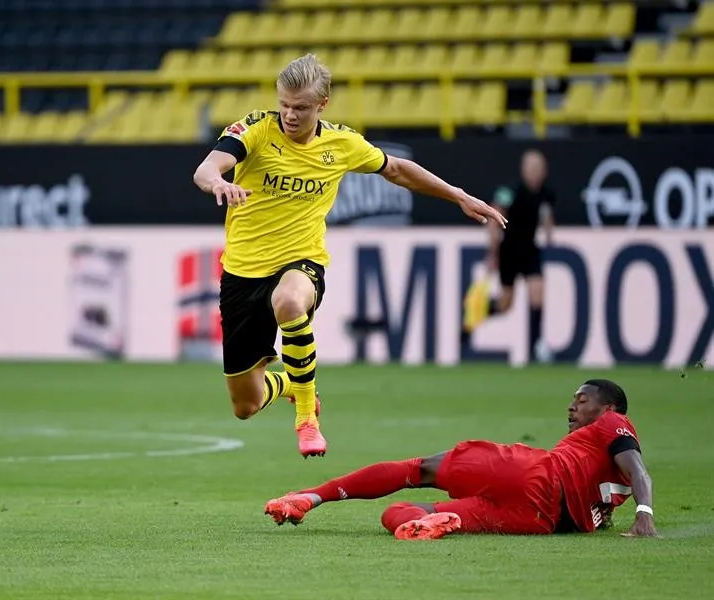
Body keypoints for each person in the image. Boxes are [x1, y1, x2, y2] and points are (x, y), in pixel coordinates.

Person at [192, 54, 507, 458]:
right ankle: (293, 385)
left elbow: (397, 170)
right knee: (245, 405)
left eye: (301, 107)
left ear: (322, 105)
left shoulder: (341, 144)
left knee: (289, 301)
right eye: (285, 104)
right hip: (241, 274)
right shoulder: (254, 129)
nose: (290, 114)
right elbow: (206, 168)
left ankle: (307, 419)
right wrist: (217, 181)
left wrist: (460, 196)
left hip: (300, 261)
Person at [264, 379, 658, 539]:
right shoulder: (599, 476)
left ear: (608, 408)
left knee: (415, 471)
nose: (572, 408)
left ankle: (310, 497)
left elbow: (638, 469)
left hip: (531, 473)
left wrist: (645, 514)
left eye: (581, 400)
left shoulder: (614, 423)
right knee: (398, 514)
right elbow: (600, 501)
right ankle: (432, 521)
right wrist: (607, 515)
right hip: (540, 520)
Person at [463, 149, 556, 363]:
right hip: (509, 250)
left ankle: (536, 345)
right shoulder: (510, 191)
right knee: (505, 304)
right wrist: (493, 250)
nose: (535, 173)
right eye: (531, 169)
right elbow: (495, 215)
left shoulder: (546, 194)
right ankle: (472, 314)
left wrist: (550, 230)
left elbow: (548, 215)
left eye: (539, 169)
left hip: (530, 250)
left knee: (537, 294)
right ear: (524, 170)